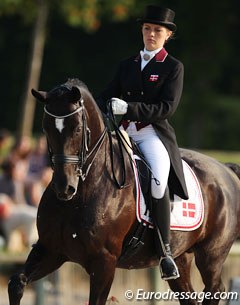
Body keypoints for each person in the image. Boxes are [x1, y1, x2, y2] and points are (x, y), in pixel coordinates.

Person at [97, 5, 188, 280]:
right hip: (123, 131)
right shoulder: (127, 64)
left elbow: (166, 108)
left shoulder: (173, 67)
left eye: (157, 30)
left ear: (168, 35)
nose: (151, 34)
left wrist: (130, 108)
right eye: (147, 29)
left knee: (158, 178)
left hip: (151, 133)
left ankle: (165, 251)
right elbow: (104, 96)